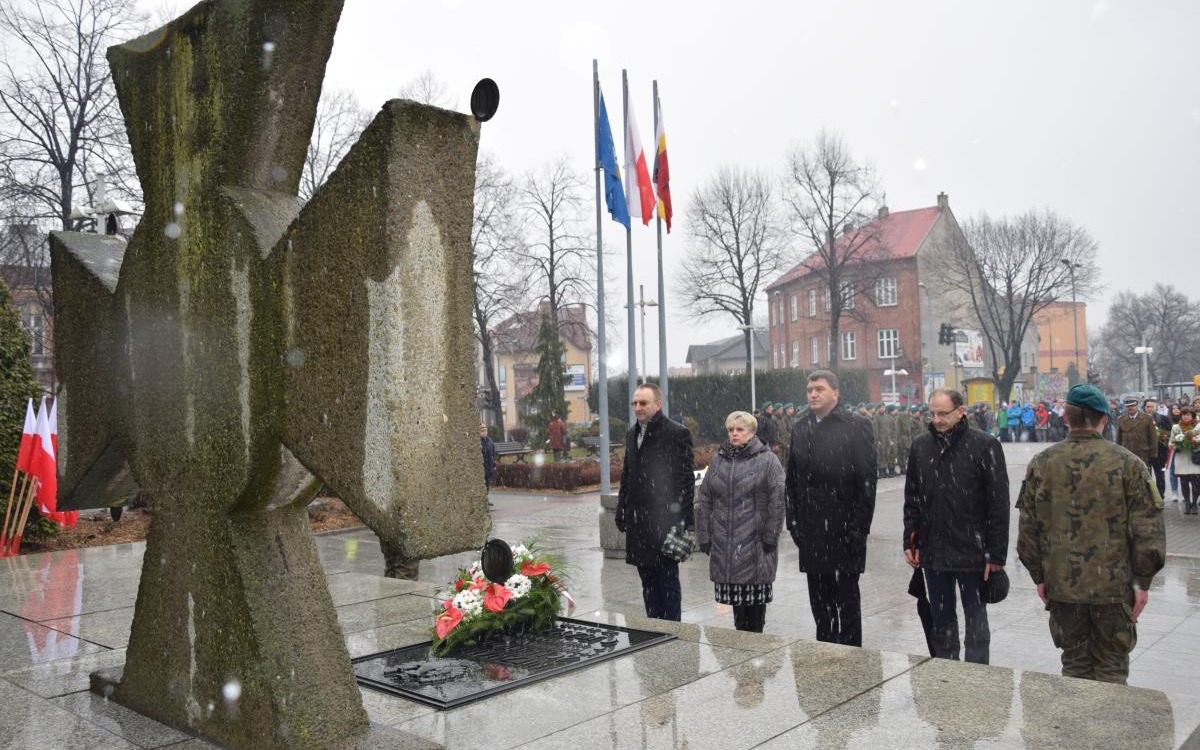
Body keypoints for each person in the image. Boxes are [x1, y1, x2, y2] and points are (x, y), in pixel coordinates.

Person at [1016, 383, 1166, 684]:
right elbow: (1148, 531)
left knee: (1074, 666)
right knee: (1111, 666)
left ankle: (1076, 727)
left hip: (1063, 586)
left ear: (1066, 418)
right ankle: (1108, 729)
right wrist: (1142, 582)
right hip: (1114, 587)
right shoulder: (1129, 464)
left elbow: (1028, 530)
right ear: (1104, 419)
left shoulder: (1042, 463)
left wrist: (1040, 576)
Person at [903, 388, 1009, 664]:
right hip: (934, 551)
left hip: (973, 553)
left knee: (976, 623)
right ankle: (946, 671)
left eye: (943, 413)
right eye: (933, 413)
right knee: (941, 621)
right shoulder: (920, 446)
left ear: (961, 411)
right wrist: (910, 541)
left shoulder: (985, 445)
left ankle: (976, 676)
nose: (936, 420)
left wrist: (996, 554)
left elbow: (998, 504)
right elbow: (912, 498)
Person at [785, 369, 877, 646]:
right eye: (809, 389)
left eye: (819, 389)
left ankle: (850, 658)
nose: (812, 394)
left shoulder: (856, 425)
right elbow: (793, 480)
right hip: (812, 532)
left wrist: (858, 529)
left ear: (835, 393)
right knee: (820, 603)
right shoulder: (801, 428)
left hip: (844, 529)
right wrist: (794, 523)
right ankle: (824, 651)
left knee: (846, 602)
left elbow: (866, 482)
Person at [695, 411, 785, 632]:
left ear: (752, 432)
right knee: (738, 611)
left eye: (740, 429)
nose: (734, 434)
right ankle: (743, 649)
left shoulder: (768, 460)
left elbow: (778, 499)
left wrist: (771, 535)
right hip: (726, 545)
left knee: (754, 612)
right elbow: (704, 497)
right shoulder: (719, 460)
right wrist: (704, 535)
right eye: (730, 430)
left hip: (756, 544)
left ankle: (755, 652)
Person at [615, 383, 696, 621]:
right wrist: (622, 508)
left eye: (643, 403)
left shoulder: (676, 433)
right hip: (639, 522)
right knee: (647, 580)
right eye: (635, 403)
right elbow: (627, 474)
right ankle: (653, 628)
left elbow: (685, 481)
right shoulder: (632, 433)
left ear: (658, 404)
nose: (638, 408)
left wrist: (680, 519)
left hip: (664, 521)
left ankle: (671, 630)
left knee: (667, 581)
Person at [1170, 407, 1200, 515]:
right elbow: (1171, 442)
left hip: (1195, 459)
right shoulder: (1176, 427)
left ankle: (1194, 503)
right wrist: (1177, 445)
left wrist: (1196, 443)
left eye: (1188, 415)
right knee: (1184, 483)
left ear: (1192, 416)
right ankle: (1187, 503)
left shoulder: (1197, 427)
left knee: (1196, 483)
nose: (1185, 416)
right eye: (1183, 414)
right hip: (1181, 458)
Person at [1116, 397, 1157, 469]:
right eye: (1128, 406)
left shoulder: (1147, 418)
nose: (1130, 408)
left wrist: (1153, 454)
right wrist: (1118, 453)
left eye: (1132, 406)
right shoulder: (1121, 420)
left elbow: (1153, 437)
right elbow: (1118, 439)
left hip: (1143, 453)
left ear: (1137, 406)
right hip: (1127, 452)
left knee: (1144, 476)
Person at [1145, 398, 1171, 500]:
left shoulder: (1163, 419)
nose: (1149, 409)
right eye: (1148, 406)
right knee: (1147, 475)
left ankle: (1160, 496)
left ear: (1156, 407)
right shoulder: (1141, 420)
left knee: (1160, 475)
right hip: (1146, 451)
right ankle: (1149, 496)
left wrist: (1162, 436)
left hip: (1160, 452)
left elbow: (1169, 433)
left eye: (1151, 406)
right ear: (1144, 407)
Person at [480, 423, 497, 491]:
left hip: (488, 467)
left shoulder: (490, 441)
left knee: (487, 484)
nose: (484, 433)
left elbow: (493, 453)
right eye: (482, 431)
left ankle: (485, 498)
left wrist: (494, 463)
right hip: (482, 466)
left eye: (485, 431)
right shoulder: (478, 441)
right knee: (482, 484)